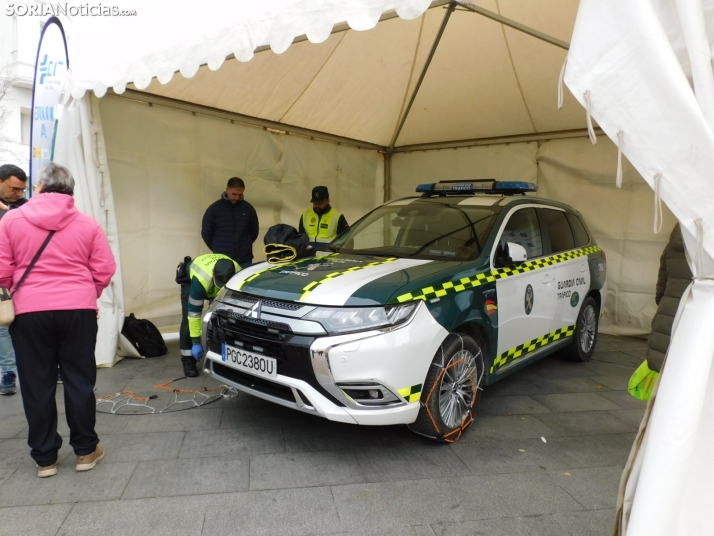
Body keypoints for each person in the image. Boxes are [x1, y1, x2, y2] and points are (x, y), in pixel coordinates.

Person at [0, 163, 116, 478]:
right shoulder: (87, 224)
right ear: (71, 191)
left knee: (37, 384)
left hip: (29, 313)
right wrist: (84, 291)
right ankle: (86, 451)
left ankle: (45, 458)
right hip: (78, 311)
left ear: (38, 187)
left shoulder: (11, 220)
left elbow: (1, 271)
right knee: (79, 380)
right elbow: (105, 268)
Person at [180, 253, 239, 377]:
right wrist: (196, 342)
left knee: (221, 319)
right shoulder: (200, 279)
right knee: (187, 319)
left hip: (214, 282)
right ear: (213, 272)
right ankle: (188, 360)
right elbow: (194, 314)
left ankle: (219, 355)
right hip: (191, 281)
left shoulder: (239, 273)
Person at [0, 164, 29, 395]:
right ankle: (8, 372)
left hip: (24, 277)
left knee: (30, 323)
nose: (19, 194)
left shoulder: (25, 207)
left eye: (22, 190)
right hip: (2, 277)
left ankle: (49, 367)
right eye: (15, 189)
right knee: (2, 324)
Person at [201, 177, 259, 269]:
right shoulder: (214, 209)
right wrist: (217, 248)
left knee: (244, 283)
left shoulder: (248, 209)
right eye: (234, 194)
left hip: (244, 259)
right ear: (227, 189)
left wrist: (245, 245)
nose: (237, 197)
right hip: (221, 259)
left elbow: (254, 231)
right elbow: (206, 232)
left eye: (240, 195)